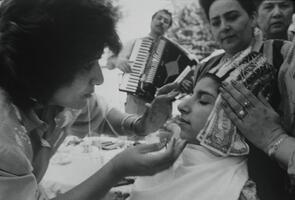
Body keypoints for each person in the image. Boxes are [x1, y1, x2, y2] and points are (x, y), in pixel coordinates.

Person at [0, 0, 187, 199]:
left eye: (97, 61)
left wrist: (143, 124)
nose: (100, 78)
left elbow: (107, 117)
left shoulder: (57, 99)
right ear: (42, 65)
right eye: (87, 65)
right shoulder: (5, 139)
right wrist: (115, 170)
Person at [195, 0, 294, 199]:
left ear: (252, 18)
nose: (224, 27)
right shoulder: (205, 67)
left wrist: (274, 136)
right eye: (216, 22)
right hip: (213, 185)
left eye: (232, 17)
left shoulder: (285, 55)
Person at [128, 71, 266, 200]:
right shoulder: (170, 157)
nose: (182, 105)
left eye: (203, 101)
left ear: (229, 119)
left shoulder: (238, 191)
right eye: (191, 95)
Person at [107, 9, 173, 115]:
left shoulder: (171, 51)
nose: (161, 22)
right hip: (135, 100)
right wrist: (117, 61)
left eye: (166, 21)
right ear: (152, 20)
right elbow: (109, 65)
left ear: (168, 27)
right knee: (133, 129)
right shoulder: (135, 43)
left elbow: (173, 73)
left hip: (159, 104)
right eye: (159, 18)